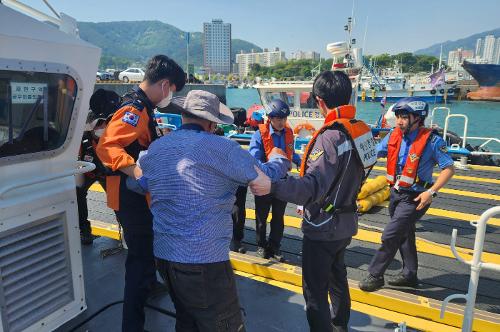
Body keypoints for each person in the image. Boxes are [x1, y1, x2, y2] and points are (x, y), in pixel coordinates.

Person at [138, 90, 290, 331]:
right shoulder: (222, 148)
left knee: (187, 320)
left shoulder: (157, 148)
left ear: (184, 115)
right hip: (204, 261)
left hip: (164, 257)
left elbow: (140, 182)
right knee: (226, 325)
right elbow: (265, 176)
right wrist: (280, 158)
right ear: (211, 123)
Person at [250, 70, 377, 332]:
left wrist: (272, 185)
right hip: (346, 221)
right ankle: (340, 326)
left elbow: (310, 188)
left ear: (319, 101)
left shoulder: (330, 137)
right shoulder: (361, 131)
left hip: (323, 226)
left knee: (315, 292)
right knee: (338, 277)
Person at [96, 55, 185, 332]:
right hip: (129, 196)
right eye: (172, 91)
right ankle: (132, 326)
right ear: (165, 84)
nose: (170, 96)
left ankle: (149, 285)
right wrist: (136, 172)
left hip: (136, 196)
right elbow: (107, 147)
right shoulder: (134, 109)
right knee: (139, 257)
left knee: (147, 251)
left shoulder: (144, 107)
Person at [359, 97, 455, 292]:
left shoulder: (434, 141)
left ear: (417, 118)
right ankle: (410, 274)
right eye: (398, 116)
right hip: (395, 194)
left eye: (404, 117)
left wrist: (431, 192)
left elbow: (449, 169)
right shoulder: (394, 136)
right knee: (404, 234)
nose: (399, 121)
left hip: (416, 197)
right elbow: (375, 153)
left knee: (390, 234)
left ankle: (375, 275)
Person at [248, 99, 302, 260]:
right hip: (264, 182)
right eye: (278, 118)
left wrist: (302, 162)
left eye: (284, 119)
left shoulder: (288, 134)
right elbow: (253, 159)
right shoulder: (259, 135)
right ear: (270, 118)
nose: (281, 122)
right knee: (261, 217)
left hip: (282, 182)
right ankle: (261, 245)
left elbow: (291, 154)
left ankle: (275, 246)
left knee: (279, 217)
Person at [76, 88, 121, 245]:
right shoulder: (85, 128)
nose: (102, 127)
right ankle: (84, 231)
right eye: (99, 124)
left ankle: (124, 230)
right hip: (88, 169)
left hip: (108, 171)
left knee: (118, 200)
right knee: (77, 194)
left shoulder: (116, 128)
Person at [230, 106, 266, 254]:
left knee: (237, 207)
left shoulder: (230, 136)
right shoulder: (260, 135)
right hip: (243, 173)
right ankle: (236, 239)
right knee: (238, 207)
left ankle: (236, 239)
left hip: (239, 174)